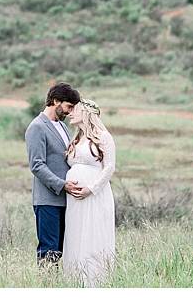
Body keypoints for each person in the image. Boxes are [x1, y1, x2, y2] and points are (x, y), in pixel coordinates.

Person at [24, 82, 82, 265]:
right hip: (48, 200)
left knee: (64, 250)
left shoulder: (63, 127)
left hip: (66, 199)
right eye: (68, 106)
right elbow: (36, 165)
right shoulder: (37, 127)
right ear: (55, 100)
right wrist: (62, 184)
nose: (69, 112)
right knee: (49, 250)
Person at [62, 98, 117, 287]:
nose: (70, 112)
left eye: (74, 109)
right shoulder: (76, 138)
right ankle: (75, 281)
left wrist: (90, 189)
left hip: (95, 196)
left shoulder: (103, 136)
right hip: (74, 200)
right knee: (75, 235)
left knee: (93, 235)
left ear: (85, 112)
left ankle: (95, 282)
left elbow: (109, 167)